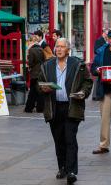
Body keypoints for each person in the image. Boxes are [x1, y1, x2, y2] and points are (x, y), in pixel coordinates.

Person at [38, 38, 93, 184]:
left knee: (70, 139)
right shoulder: (47, 65)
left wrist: (83, 92)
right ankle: (62, 167)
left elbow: (88, 82)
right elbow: (39, 83)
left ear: (68, 49)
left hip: (72, 106)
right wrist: (43, 88)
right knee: (58, 140)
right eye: (57, 47)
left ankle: (72, 171)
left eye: (62, 47)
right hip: (54, 107)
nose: (59, 49)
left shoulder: (78, 64)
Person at [24, 35, 45, 113]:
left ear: (31, 41)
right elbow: (44, 60)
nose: (28, 43)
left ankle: (28, 108)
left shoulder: (31, 50)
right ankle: (40, 108)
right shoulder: (41, 49)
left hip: (34, 73)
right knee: (39, 91)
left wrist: (29, 67)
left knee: (32, 91)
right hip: (41, 72)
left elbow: (31, 62)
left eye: (29, 41)